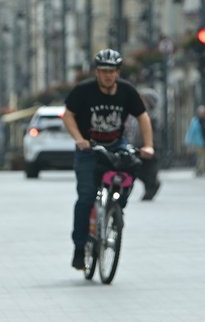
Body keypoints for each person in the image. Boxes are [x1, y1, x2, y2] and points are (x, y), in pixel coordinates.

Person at [62, 49, 158, 270]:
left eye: (112, 71)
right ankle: (79, 248)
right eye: (104, 71)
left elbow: (142, 117)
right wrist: (79, 139)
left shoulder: (127, 91)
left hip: (116, 144)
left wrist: (148, 146)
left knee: (131, 167)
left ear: (118, 73)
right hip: (89, 148)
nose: (108, 76)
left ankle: (116, 208)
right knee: (86, 197)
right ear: (97, 72)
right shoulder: (84, 91)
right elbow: (68, 115)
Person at [185, 106, 205, 176]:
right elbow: (191, 131)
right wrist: (188, 141)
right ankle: (201, 170)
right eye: (201, 112)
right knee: (201, 156)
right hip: (198, 142)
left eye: (204, 112)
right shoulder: (195, 121)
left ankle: (200, 170)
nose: (203, 114)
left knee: (203, 156)